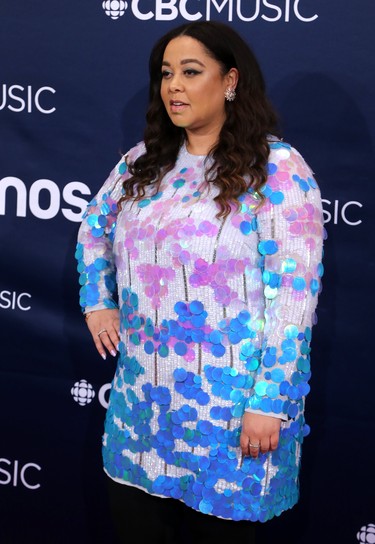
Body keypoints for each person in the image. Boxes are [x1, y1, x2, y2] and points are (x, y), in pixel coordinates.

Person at [76, 20, 324, 543]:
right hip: (141, 412)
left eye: (191, 72)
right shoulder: (143, 162)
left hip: (233, 421)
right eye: (166, 74)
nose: (174, 86)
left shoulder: (278, 170)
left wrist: (268, 402)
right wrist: (98, 300)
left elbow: (294, 301)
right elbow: (93, 228)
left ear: (230, 81)